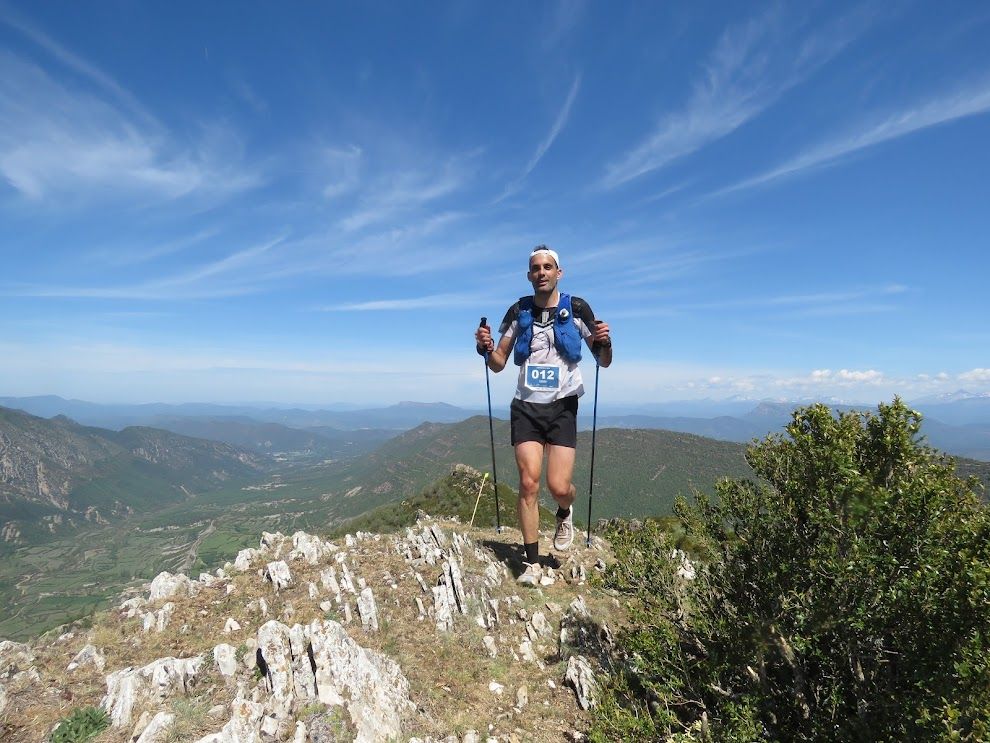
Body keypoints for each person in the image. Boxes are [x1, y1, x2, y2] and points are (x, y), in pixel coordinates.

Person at [475, 245, 612, 585]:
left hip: (563, 405)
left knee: (559, 486)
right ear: (528, 275)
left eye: (548, 267)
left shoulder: (577, 309)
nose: (541, 272)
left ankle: (565, 511)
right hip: (526, 406)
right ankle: (532, 563)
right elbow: (498, 364)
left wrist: (605, 342)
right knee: (528, 482)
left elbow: (603, 360)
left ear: (558, 273)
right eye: (536, 268)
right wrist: (485, 348)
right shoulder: (518, 310)